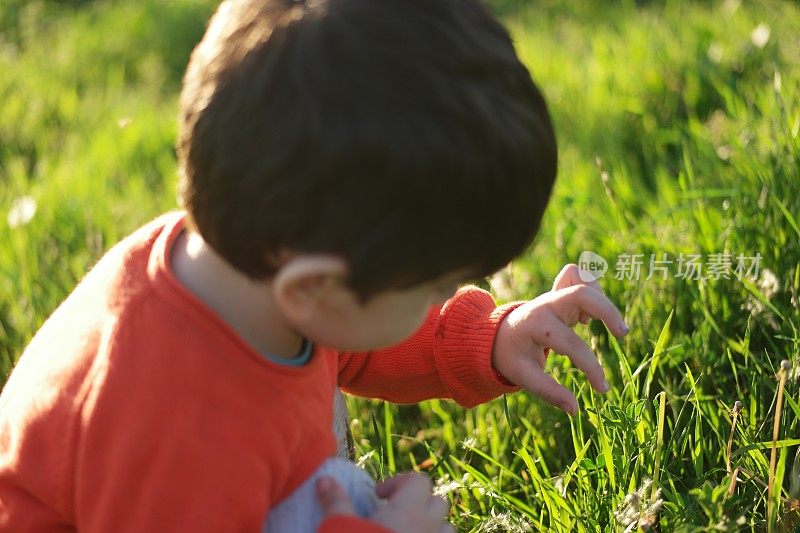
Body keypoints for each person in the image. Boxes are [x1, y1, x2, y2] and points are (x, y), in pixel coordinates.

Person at [0, 0, 629, 531]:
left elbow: (352, 344)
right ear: (315, 288)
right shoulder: (181, 436)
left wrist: (492, 340)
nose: (444, 296)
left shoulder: (251, 273)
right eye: (431, 287)